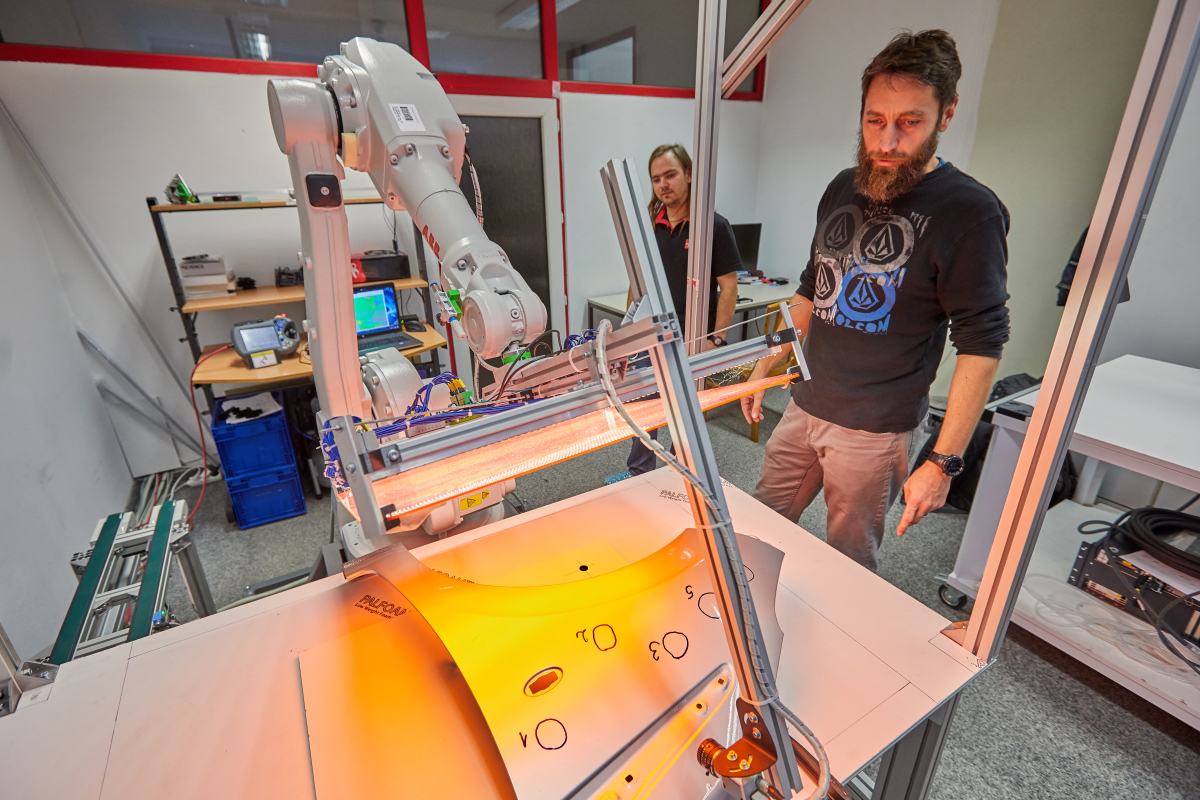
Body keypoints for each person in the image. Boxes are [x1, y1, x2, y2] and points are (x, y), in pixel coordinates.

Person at [740, 30, 1011, 572]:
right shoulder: (843, 186)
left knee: (847, 564)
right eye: (874, 120)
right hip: (806, 402)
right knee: (755, 528)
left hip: (877, 429)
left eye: (909, 122)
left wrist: (944, 461)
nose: (887, 141)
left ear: (947, 114)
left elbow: (982, 345)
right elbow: (811, 288)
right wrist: (768, 359)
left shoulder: (970, 212)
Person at [625, 143, 743, 476]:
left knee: (684, 416)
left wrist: (716, 340)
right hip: (651, 334)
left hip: (691, 338)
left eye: (670, 175)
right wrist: (629, 334)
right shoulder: (651, 226)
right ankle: (639, 474)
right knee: (644, 411)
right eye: (656, 179)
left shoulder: (713, 227)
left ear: (688, 174)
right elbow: (637, 282)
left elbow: (729, 287)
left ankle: (678, 476)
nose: (663, 184)